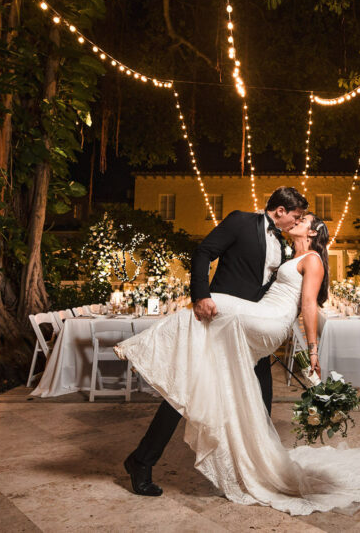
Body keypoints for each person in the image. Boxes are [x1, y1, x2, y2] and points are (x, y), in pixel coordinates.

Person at [116, 208, 360, 516]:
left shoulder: (312, 259)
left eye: (303, 220)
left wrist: (313, 350)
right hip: (252, 322)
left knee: (207, 308)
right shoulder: (284, 252)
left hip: (267, 322)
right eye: (296, 217)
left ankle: (140, 346)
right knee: (204, 387)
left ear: (313, 233)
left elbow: (309, 303)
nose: (297, 221)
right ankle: (241, 464)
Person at [121, 186, 307, 498]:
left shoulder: (282, 244)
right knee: (188, 393)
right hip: (219, 322)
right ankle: (141, 461)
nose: (296, 222)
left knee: (262, 399)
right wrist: (201, 295)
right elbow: (204, 252)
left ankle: (259, 470)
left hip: (250, 329)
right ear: (279, 211)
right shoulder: (240, 221)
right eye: (295, 216)